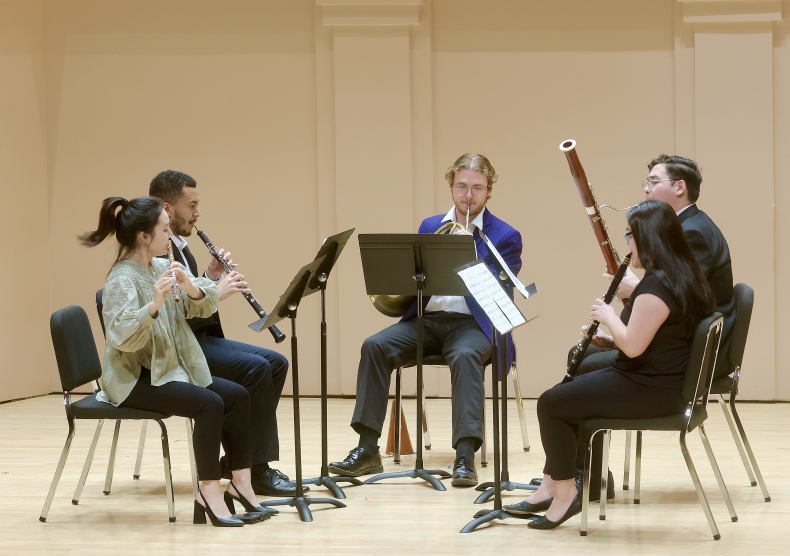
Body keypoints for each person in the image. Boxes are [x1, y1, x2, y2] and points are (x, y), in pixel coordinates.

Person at [506, 200, 716, 529]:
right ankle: (552, 481)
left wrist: (609, 317)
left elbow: (633, 347)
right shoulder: (684, 275)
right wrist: (606, 339)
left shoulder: (656, 287)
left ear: (649, 239)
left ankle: (564, 492)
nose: (627, 242)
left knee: (550, 404)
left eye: (630, 234)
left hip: (650, 388)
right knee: (567, 394)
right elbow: (661, 337)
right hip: (664, 380)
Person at [540, 154, 736, 498]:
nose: (645, 190)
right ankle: (580, 473)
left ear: (679, 187)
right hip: (672, 349)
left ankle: (580, 476)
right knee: (581, 364)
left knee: (569, 384)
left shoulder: (693, 234)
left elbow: (680, 300)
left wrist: (633, 294)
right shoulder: (686, 229)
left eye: (652, 182)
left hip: (679, 362)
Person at [327, 153, 523, 487]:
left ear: (489, 190)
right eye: (461, 186)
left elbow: (500, 296)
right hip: (428, 320)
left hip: (473, 326)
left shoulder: (505, 236)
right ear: (451, 185)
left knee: (464, 356)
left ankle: (464, 456)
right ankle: (367, 450)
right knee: (374, 346)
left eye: (477, 188)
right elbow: (415, 278)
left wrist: (470, 257)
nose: (468, 195)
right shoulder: (430, 227)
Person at [81, 196, 274, 527]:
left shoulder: (160, 266)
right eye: (165, 229)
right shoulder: (120, 279)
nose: (170, 235)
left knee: (238, 396)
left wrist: (194, 289)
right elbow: (121, 337)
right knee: (210, 404)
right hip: (134, 379)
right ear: (145, 236)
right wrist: (154, 305)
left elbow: (199, 303)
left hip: (167, 369)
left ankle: (241, 485)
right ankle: (209, 492)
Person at [148, 171, 296, 497]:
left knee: (275, 363)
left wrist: (208, 275)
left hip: (196, 336)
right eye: (192, 205)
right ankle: (256, 470)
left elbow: (188, 293)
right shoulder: (158, 252)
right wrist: (217, 289)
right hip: (179, 347)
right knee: (255, 369)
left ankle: (239, 459)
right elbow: (175, 310)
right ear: (167, 208)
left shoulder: (180, 246)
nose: (198, 213)